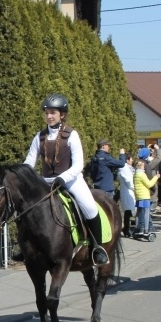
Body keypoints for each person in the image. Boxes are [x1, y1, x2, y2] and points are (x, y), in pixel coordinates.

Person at [23, 93, 109, 265]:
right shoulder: (39, 137)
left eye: (53, 112)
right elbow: (29, 162)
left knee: (91, 208)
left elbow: (78, 164)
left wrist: (63, 178)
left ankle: (97, 248)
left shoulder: (72, 135)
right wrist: (25, 177)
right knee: (26, 208)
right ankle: (25, 247)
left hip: (70, 180)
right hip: (45, 181)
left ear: (62, 114)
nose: (49, 116)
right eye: (47, 112)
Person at [133, 160, 160, 238]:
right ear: (141, 166)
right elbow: (149, 184)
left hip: (138, 196)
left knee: (139, 212)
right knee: (146, 212)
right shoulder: (142, 174)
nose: (144, 168)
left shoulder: (135, 174)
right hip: (144, 196)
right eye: (143, 166)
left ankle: (138, 228)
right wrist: (156, 177)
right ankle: (146, 229)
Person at [117, 153, 136, 238]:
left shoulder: (128, 168)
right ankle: (127, 229)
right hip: (128, 191)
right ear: (127, 160)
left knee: (130, 210)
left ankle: (129, 228)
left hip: (129, 191)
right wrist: (134, 188)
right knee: (128, 211)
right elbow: (128, 181)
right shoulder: (124, 168)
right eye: (131, 159)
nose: (132, 160)